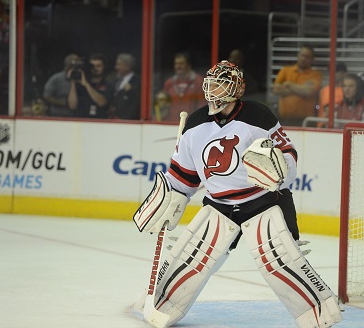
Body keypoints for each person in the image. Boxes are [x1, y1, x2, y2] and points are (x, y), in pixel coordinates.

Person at [133, 60, 342, 328]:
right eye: (211, 83)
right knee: (189, 259)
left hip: (263, 202)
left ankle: (320, 313)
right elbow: (182, 176)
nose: (214, 89)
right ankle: (161, 304)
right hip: (219, 205)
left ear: (236, 87)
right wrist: (170, 200)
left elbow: (288, 156)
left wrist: (278, 168)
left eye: (221, 83)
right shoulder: (194, 124)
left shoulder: (259, 117)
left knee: (281, 262)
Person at [272, 46, 322, 126]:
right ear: (298, 56)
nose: (303, 58)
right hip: (283, 121)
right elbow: (276, 89)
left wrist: (289, 84)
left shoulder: (316, 75)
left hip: (306, 122)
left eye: (307, 57)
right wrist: (301, 89)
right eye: (302, 55)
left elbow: (309, 92)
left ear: (312, 60)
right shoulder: (285, 70)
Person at [67, 53, 113, 119]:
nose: (95, 68)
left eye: (98, 66)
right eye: (92, 66)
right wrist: (73, 81)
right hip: (80, 120)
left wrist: (86, 85)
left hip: (99, 121)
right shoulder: (80, 83)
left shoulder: (108, 84)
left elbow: (102, 103)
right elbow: (72, 106)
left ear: (104, 67)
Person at [162, 52, 205, 121]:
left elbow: (202, 105)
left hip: (191, 123)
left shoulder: (199, 82)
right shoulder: (169, 83)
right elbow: (163, 106)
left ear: (189, 65)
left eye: (181, 64)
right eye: (176, 64)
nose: (178, 66)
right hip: (171, 123)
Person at [109, 53, 141, 120]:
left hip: (129, 121)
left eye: (119, 64)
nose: (116, 67)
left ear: (127, 66)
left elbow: (138, 101)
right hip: (114, 119)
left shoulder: (138, 81)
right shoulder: (115, 80)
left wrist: (130, 90)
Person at [317, 62, 347, 128]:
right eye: (330, 71)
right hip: (322, 128)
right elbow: (319, 109)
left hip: (338, 128)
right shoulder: (324, 90)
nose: (332, 74)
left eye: (336, 71)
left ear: (344, 73)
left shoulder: (347, 91)